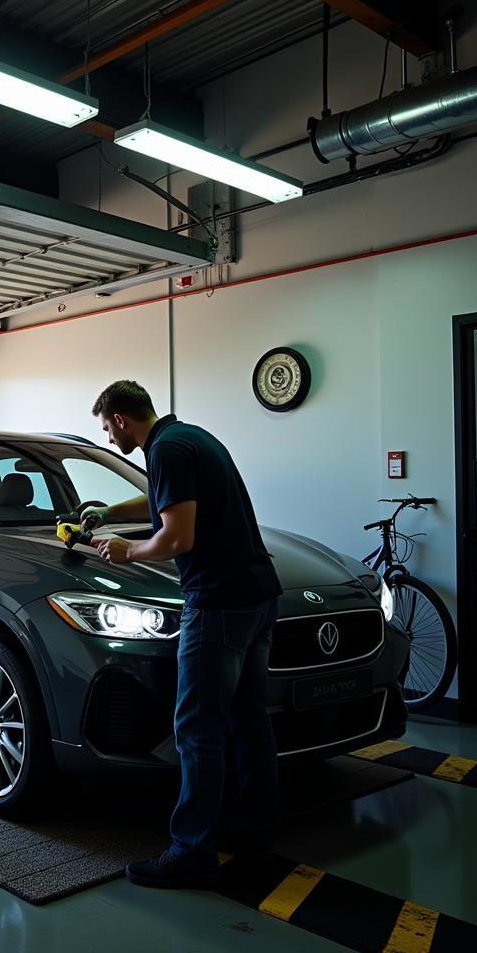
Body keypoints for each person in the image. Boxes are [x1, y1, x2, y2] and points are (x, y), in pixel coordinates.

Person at [85, 380, 282, 889]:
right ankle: (257, 830)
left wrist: (128, 550)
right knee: (248, 719)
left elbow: (178, 537)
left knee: (196, 727)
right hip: (259, 596)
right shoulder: (189, 437)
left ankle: (193, 851)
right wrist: (108, 513)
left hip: (218, 604)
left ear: (122, 419)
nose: (109, 439)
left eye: (107, 428)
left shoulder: (166, 450)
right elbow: (162, 498)